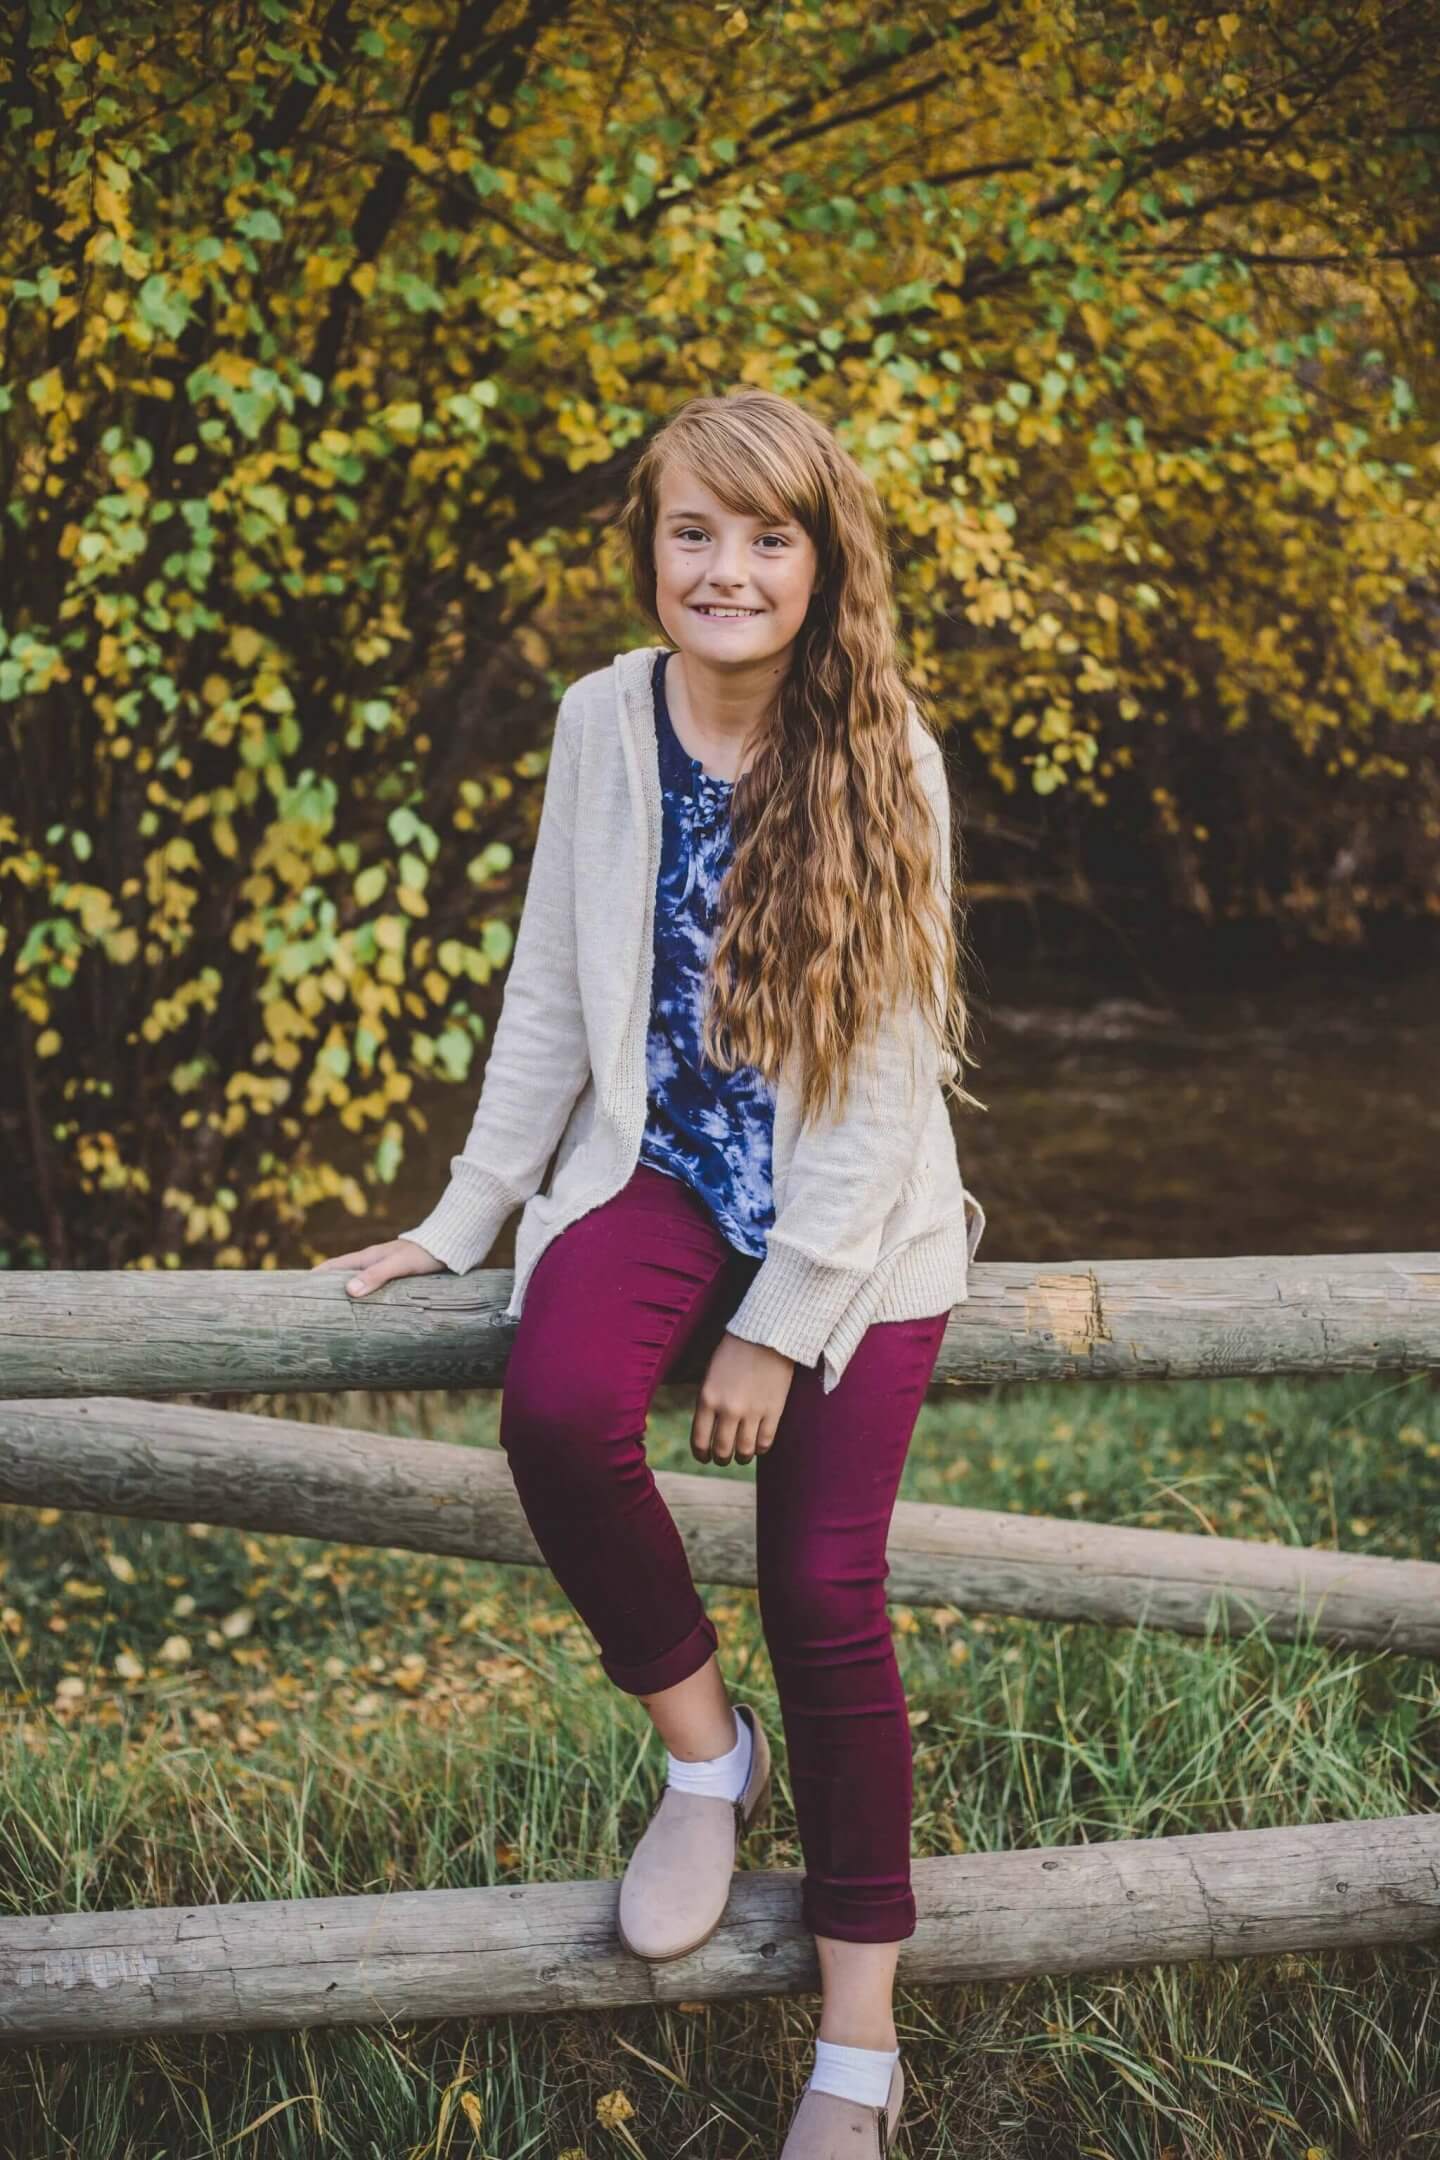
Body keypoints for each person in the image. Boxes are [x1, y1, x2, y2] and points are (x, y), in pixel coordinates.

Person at [313, 386, 986, 2158]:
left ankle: (857, 2041)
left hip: (854, 1216)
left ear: (825, 560)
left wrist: (779, 1324)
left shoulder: (884, 752)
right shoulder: (602, 720)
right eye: (696, 532)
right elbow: (549, 989)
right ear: (651, 548)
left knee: (826, 1599)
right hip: (672, 1168)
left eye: (770, 537)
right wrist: (467, 1213)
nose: (729, 569)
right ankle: (708, 1759)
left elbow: (890, 1073)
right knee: (552, 1402)